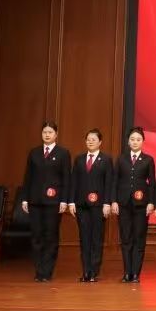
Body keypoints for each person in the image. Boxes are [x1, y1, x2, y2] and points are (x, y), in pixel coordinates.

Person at [20, 121, 70, 282]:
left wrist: (64, 200)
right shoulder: (34, 153)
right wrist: (25, 198)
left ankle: (47, 271)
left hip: (53, 202)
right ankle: (39, 270)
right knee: (36, 236)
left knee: (51, 236)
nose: (47, 135)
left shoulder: (63, 153)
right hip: (35, 200)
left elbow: (66, 179)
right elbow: (28, 177)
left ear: (56, 134)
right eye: (44, 132)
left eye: (50, 132)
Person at [68, 129, 114, 282]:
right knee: (84, 238)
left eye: (94, 139)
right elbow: (74, 181)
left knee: (96, 238)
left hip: (99, 205)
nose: (90, 142)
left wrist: (107, 203)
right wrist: (71, 201)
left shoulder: (106, 160)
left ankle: (94, 271)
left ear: (100, 142)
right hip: (81, 205)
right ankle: (86, 271)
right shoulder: (79, 159)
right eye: (88, 139)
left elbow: (109, 183)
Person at [113, 127, 156, 283]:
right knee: (126, 238)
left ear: (143, 141)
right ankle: (127, 272)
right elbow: (115, 181)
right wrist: (114, 201)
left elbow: (152, 184)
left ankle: (136, 273)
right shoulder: (121, 159)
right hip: (123, 203)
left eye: (138, 139)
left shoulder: (148, 160)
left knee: (139, 238)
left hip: (141, 205)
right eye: (132, 139)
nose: (135, 142)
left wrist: (151, 202)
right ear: (128, 141)